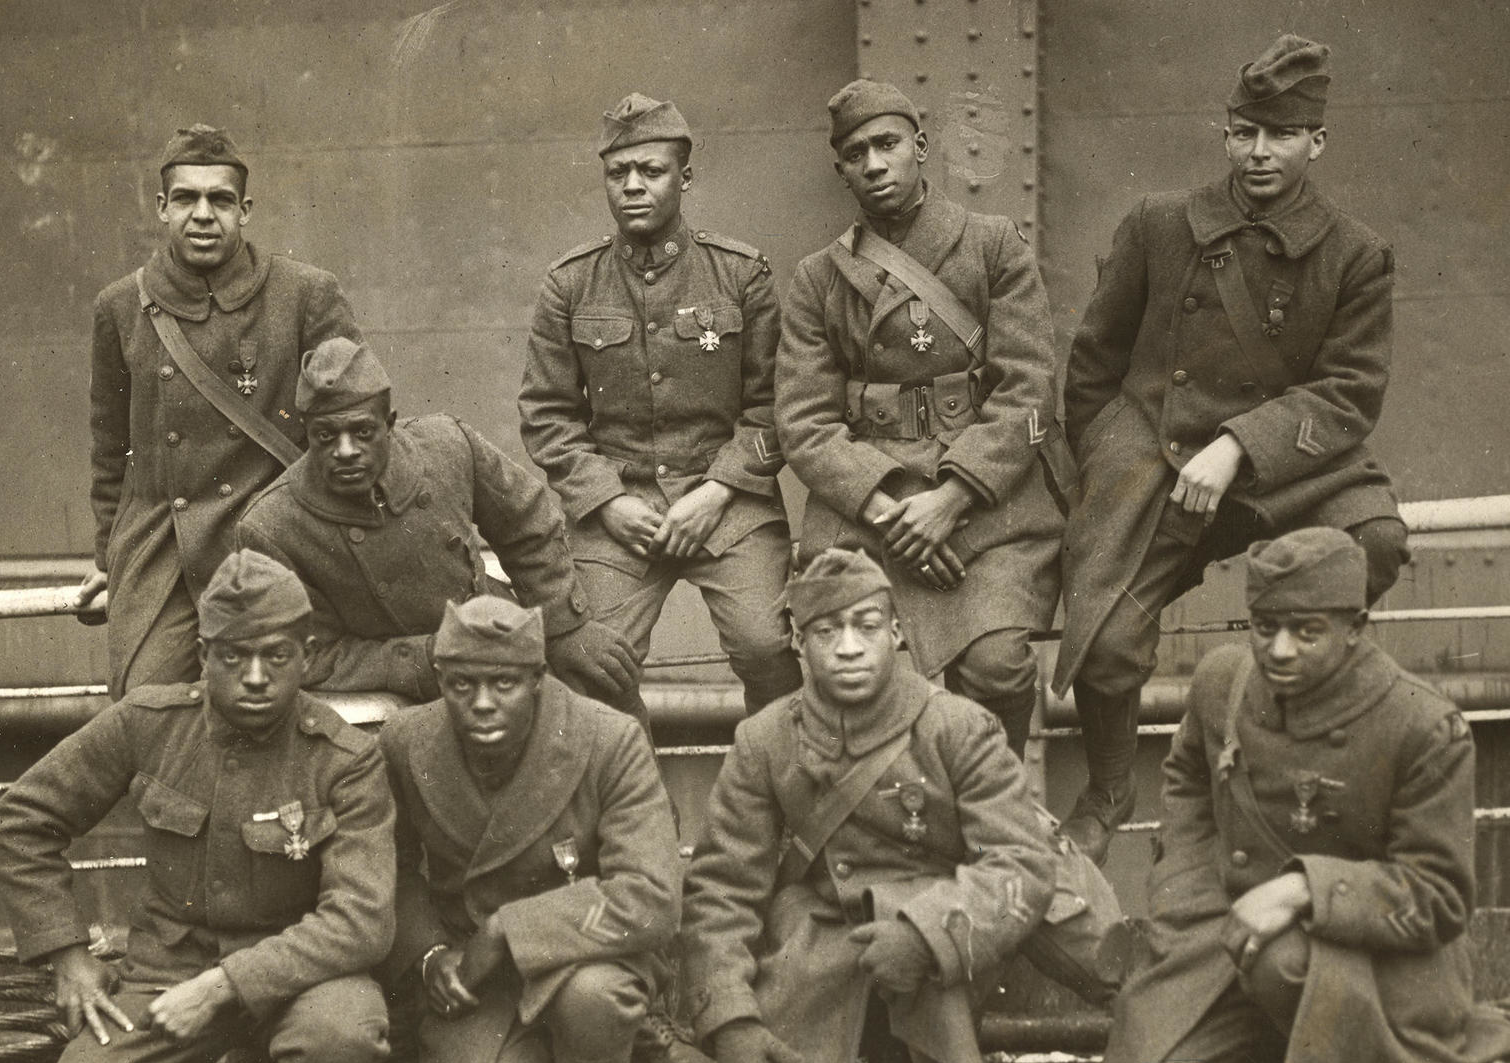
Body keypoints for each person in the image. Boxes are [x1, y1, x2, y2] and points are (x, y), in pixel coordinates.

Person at [1054, 35, 1410, 862]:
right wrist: (1112, 467)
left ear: (1315, 142)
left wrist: (1238, 448)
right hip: (1158, 457)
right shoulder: (1158, 225)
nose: (1258, 153)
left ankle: (1282, 727)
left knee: (1377, 542)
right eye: (1244, 132)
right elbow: (1093, 365)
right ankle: (1109, 785)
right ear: (1225, 134)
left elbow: (1349, 392)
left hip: (1289, 464)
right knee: (1105, 644)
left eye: (1280, 136)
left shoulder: (1355, 255)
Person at [0, 550, 396, 1063]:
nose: (258, 677)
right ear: (204, 655)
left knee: (345, 1032)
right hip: (166, 967)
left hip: (296, 978)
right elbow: (23, 818)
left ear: (308, 653)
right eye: (235, 658)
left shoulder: (344, 758)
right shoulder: (149, 722)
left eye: (277, 656)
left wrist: (223, 986)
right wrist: (66, 953)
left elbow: (361, 921)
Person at [1098, 529, 1510, 1063]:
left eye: (1307, 631)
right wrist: (1182, 888)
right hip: (1233, 932)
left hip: (1376, 961)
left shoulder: (1422, 727)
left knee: (1282, 957)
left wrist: (1302, 891)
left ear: (1356, 626)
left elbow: (1438, 896)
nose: (1279, 649)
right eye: (1265, 626)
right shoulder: (1224, 683)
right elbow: (1186, 780)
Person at [679, 549, 1054, 1063]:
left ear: (897, 632)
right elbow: (721, 886)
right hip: (824, 925)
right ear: (799, 641)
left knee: (920, 914)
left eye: (867, 625)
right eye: (827, 631)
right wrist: (729, 1018)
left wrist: (929, 935)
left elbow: (1021, 862)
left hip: (949, 923)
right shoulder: (766, 738)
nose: (849, 647)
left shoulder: (957, 725)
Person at [775, 79, 1064, 759]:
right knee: (859, 672)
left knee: (996, 665)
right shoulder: (819, 278)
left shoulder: (993, 245)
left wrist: (953, 496)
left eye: (887, 144)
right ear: (840, 169)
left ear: (920, 148)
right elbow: (803, 420)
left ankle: (999, 795)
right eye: (856, 153)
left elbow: (1029, 387)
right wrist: (896, 507)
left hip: (989, 502)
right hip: (870, 507)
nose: (875, 164)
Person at [380, 596, 680, 1063]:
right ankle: (576, 1056)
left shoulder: (606, 739)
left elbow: (651, 897)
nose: (483, 703)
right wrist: (429, 954)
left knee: (594, 998)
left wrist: (509, 929)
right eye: (462, 684)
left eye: (504, 683)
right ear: (440, 681)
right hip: (472, 970)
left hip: (586, 951)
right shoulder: (406, 741)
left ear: (539, 680)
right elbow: (390, 870)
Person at [518, 92, 802, 718]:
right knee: (592, 662)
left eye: (651, 171)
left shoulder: (741, 275)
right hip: (620, 505)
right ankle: (633, 805)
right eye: (618, 173)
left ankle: (782, 791)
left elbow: (775, 406)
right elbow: (547, 415)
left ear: (685, 177)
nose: (633, 187)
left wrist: (718, 490)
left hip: (728, 502)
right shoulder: (570, 283)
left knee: (766, 644)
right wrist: (608, 501)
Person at [81, 124, 365, 699]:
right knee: (145, 708)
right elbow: (111, 450)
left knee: (276, 700)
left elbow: (354, 425)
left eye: (221, 199)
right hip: (163, 550)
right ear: (162, 208)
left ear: (246, 210)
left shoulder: (307, 294)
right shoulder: (120, 306)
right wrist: (108, 557)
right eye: (186, 198)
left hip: (273, 542)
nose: (203, 214)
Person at [237, 336, 641, 712]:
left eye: (362, 432)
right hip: (401, 683)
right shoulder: (271, 527)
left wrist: (563, 626)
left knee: (605, 687)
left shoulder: (447, 445)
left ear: (390, 424)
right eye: (325, 436)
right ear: (306, 433)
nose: (345, 451)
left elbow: (528, 524)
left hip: (496, 631)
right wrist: (429, 656)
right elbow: (312, 655)